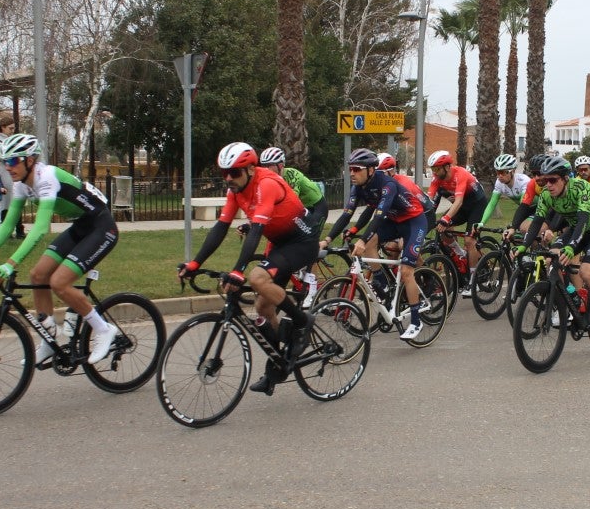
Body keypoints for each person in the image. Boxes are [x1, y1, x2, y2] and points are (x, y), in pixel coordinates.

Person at [0, 134, 120, 366]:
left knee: (59, 282)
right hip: (81, 226)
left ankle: (104, 329)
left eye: (13, 161)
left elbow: (40, 228)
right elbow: (7, 225)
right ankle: (49, 339)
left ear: (30, 160)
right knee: (38, 275)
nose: (8, 167)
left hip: (102, 227)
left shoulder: (46, 178)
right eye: (5, 161)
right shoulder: (21, 185)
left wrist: (10, 264)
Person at [179, 142, 319, 393]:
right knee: (263, 307)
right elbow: (221, 227)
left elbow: (256, 230)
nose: (228, 178)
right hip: (280, 243)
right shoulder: (235, 191)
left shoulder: (267, 184)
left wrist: (238, 270)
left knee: (256, 278)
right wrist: (195, 263)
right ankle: (278, 365)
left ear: (251, 169)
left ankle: (302, 322)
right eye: (225, 173)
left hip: (302, 241)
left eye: (234, 172)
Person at [322, 148, 429, 341]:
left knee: (406, 271)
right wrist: (327, 239)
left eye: (356, 169)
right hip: (395, 221)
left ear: (371, 170)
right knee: (370, 242)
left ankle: (415, 321)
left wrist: (362, 240)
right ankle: (383, 285)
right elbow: (347, 214)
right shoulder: (359, 187)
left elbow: (378, 216)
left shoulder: (387, 184)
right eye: (350, 169)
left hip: (414, 222)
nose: (352, 173)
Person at [514, 156, 590, 333]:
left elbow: (583, 219)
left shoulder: (580, 188)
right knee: (551, 260)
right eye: (546, 180)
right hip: (577, 227)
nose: (548, 185)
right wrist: (524, 245)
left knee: (586, 272)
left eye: (553, 180)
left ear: (565, 178)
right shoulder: (546, 195)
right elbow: (537, 222)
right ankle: (571, 297)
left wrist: (572, 246)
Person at [259, 146, 327, 305]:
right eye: (263, 166)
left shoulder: (292, 175)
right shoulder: (268, 180)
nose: (266, 170)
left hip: (316, 208)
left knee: (308, 243)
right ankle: (298, 273)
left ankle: (312, 289)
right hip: (301, 210)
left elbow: (290, 203)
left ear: (280, 165)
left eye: (269, 166)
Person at [426, 150, 489, 295]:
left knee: (469, 240)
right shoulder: (437, 179)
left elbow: (458, 201)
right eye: (433, 169)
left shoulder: (460, 174)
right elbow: (429, 202)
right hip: (462, 206)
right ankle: (461, 254)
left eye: (437, 169)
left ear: (447, 167)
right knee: (443, 230)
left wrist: (446, 218)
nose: (434, 172)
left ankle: (473, 281)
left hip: (477, 205)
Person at [0, 119, 27, 239]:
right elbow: (6, 156)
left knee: (16, 201)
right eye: (10, 128)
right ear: (2, 127)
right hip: (4, 175)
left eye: (13, 128)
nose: (12, 131)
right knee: (6, 204)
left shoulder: (10, 140)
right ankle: (8, 231)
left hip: (14, 174)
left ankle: (19, 230)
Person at [481, 153, 532, 228]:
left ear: (513, 171)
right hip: (525, 210)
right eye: (498, 172)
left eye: (503, 172)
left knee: (524, 229)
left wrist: (514, 225)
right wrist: (482, 223)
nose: (500, 176)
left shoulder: (524, 181)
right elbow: (492, 204)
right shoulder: (499, 183)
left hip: (537, 208)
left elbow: (523, 204)